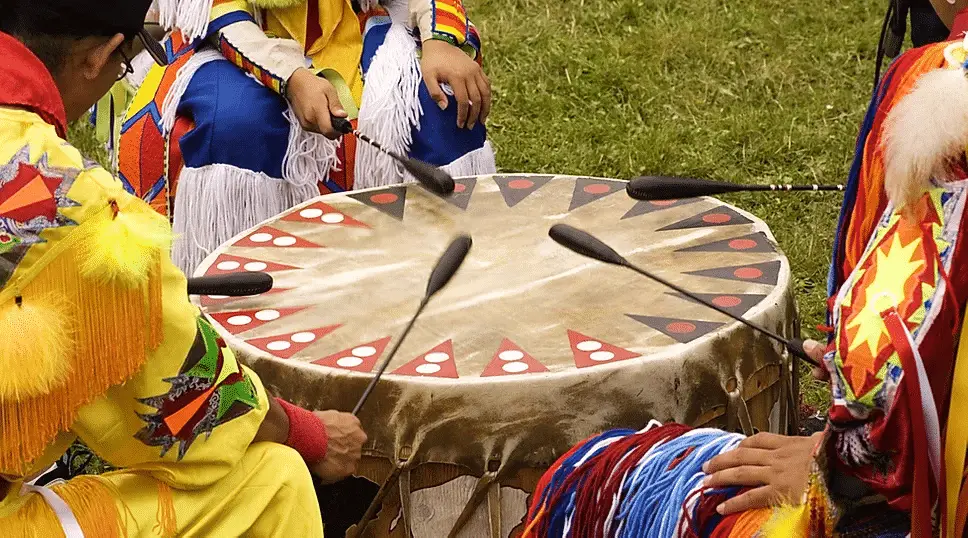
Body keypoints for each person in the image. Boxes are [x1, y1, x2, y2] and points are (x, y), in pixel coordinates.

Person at [0, 0, 366, 535]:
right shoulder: (67, 207)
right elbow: (180, 400)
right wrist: (310, 434)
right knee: (273, 481)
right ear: (98, 55)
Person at [117, 0, 496, 274]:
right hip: (237, 33)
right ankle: (238, 286)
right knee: (239, 123)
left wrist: (440, 40)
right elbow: (221, 14)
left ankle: (440, 270)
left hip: (356, 18)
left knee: (435, 105)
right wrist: (291, 77)